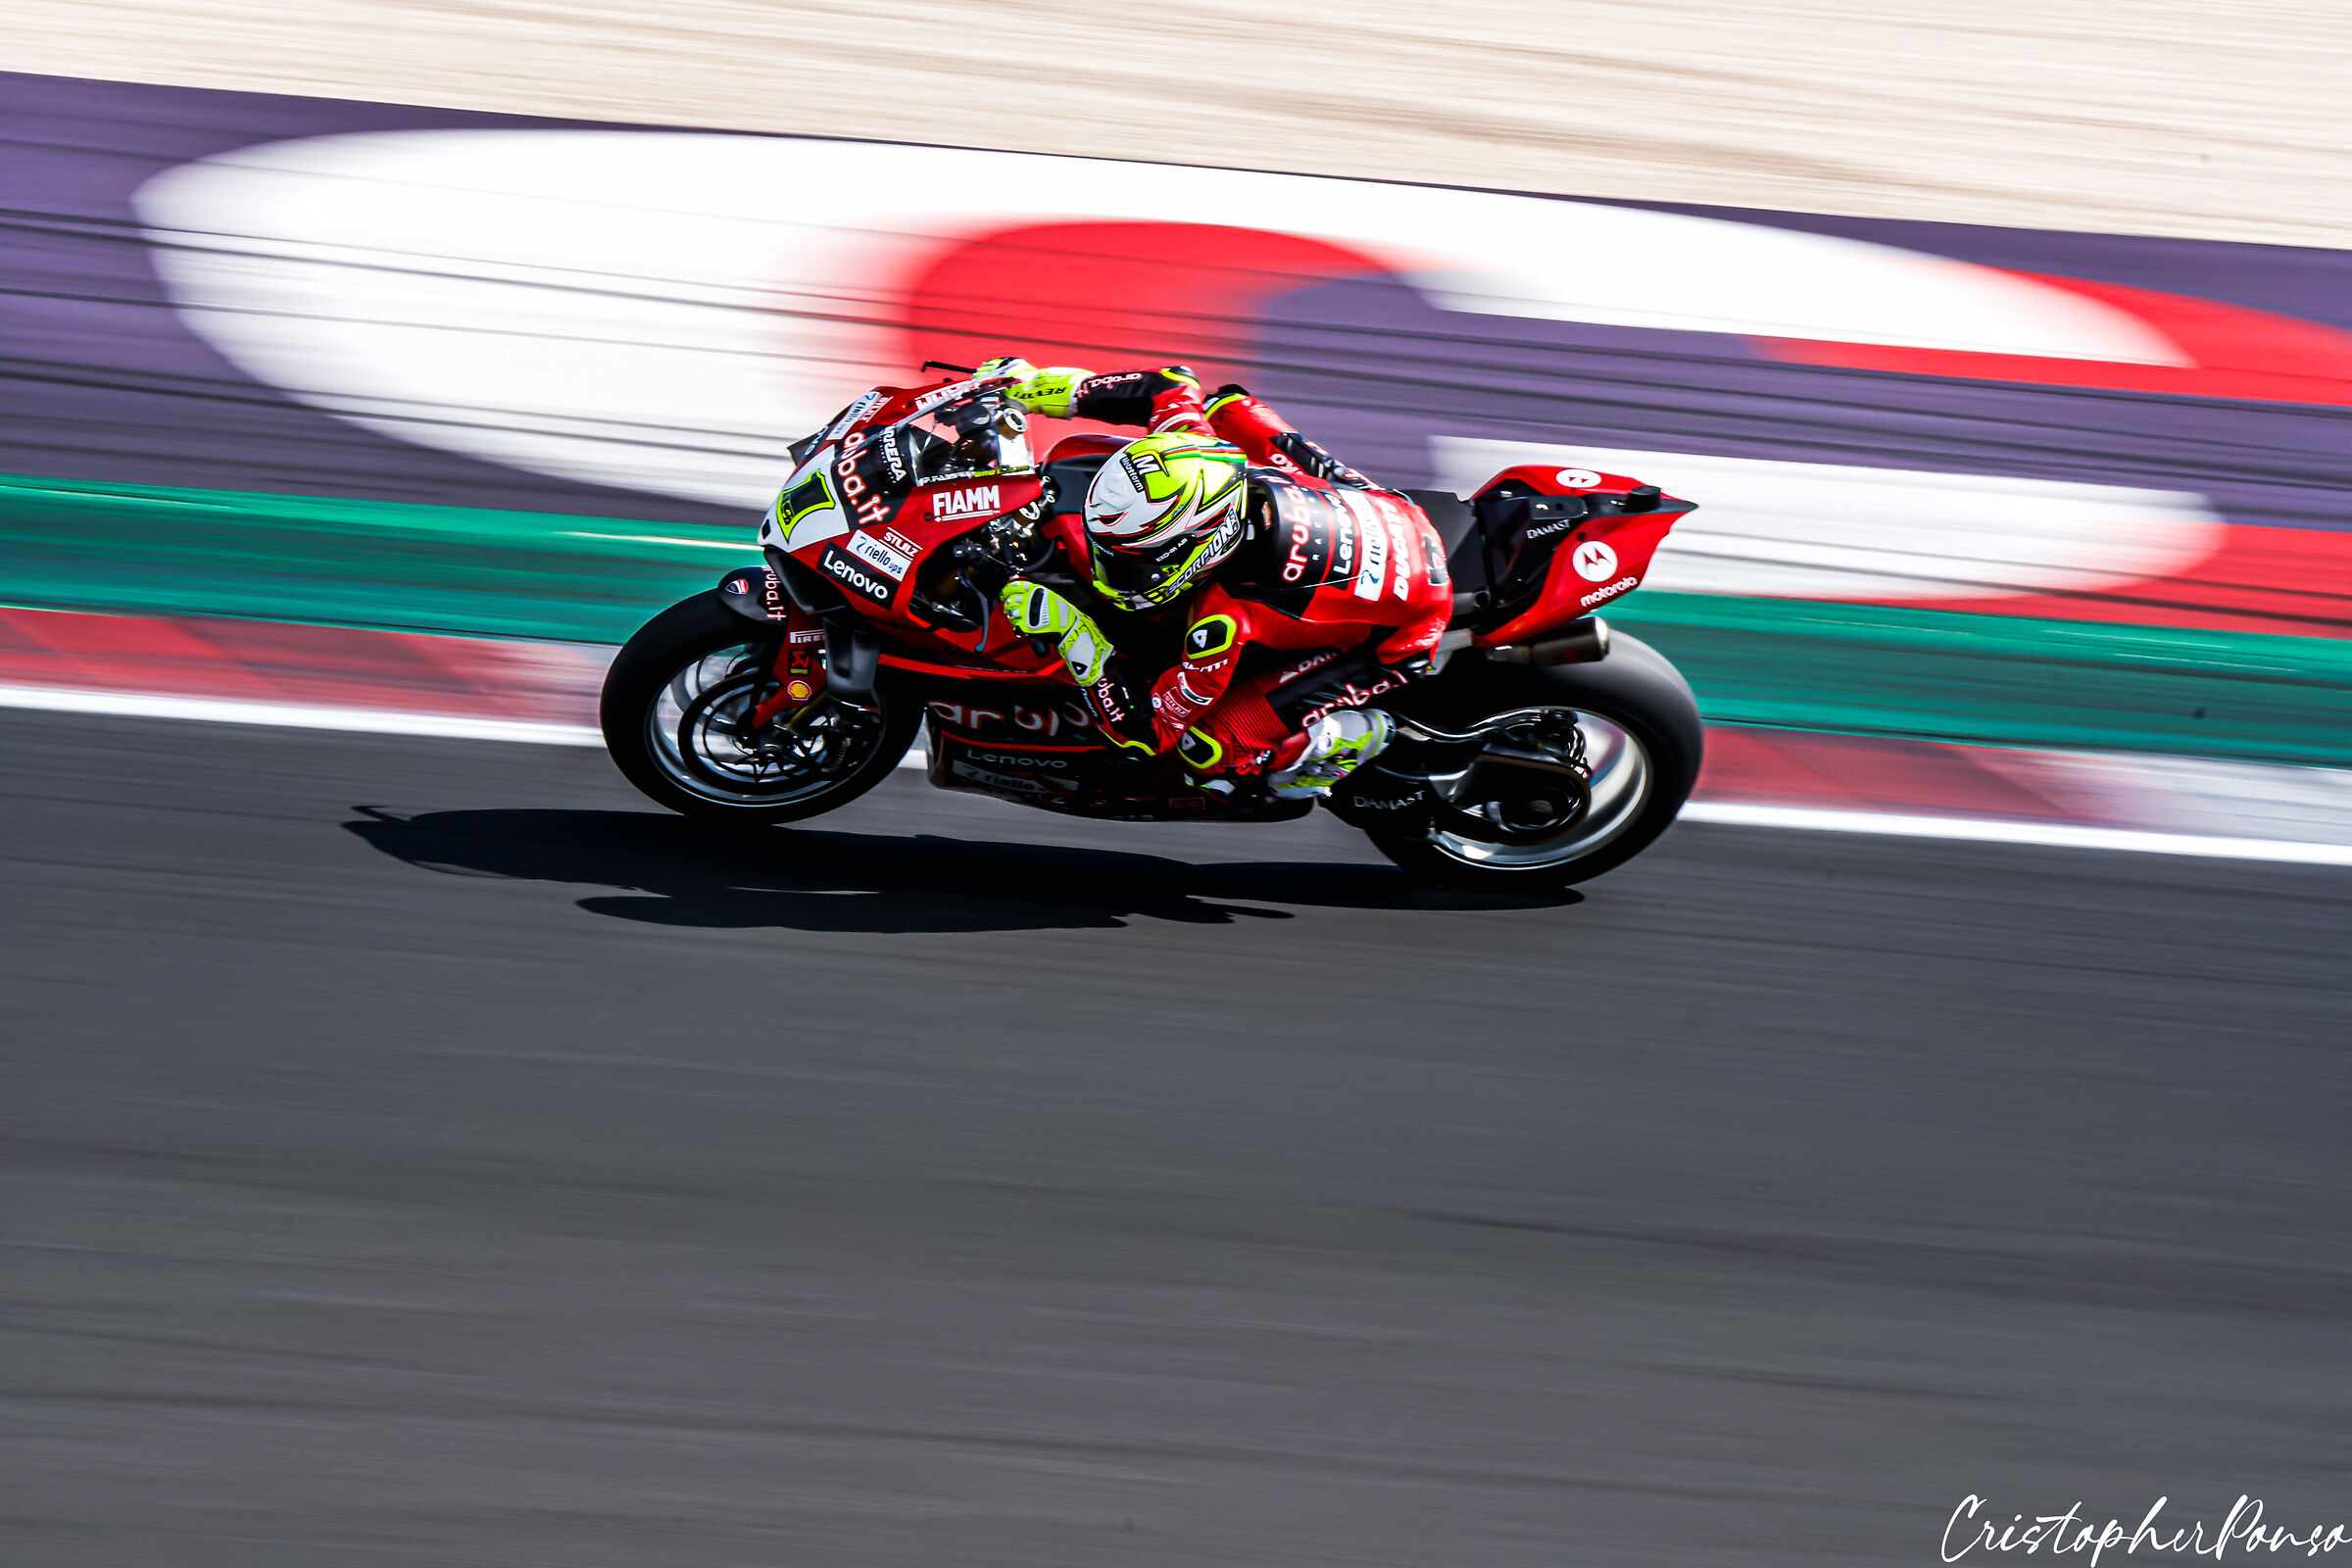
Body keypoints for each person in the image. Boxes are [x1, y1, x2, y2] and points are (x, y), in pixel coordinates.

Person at [968, 357, 1449, 799]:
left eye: (1131, 560)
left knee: (1208, 755)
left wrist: (1075, 634)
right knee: (1230, 406)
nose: (1106, 568)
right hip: (1387, 510)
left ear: (1201, 546)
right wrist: (1035, 387)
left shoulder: (1221, 623)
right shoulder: (1196, 451)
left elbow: (1146, 734)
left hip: (1401, 632)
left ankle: (1345, 741)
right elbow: (1169, 385)